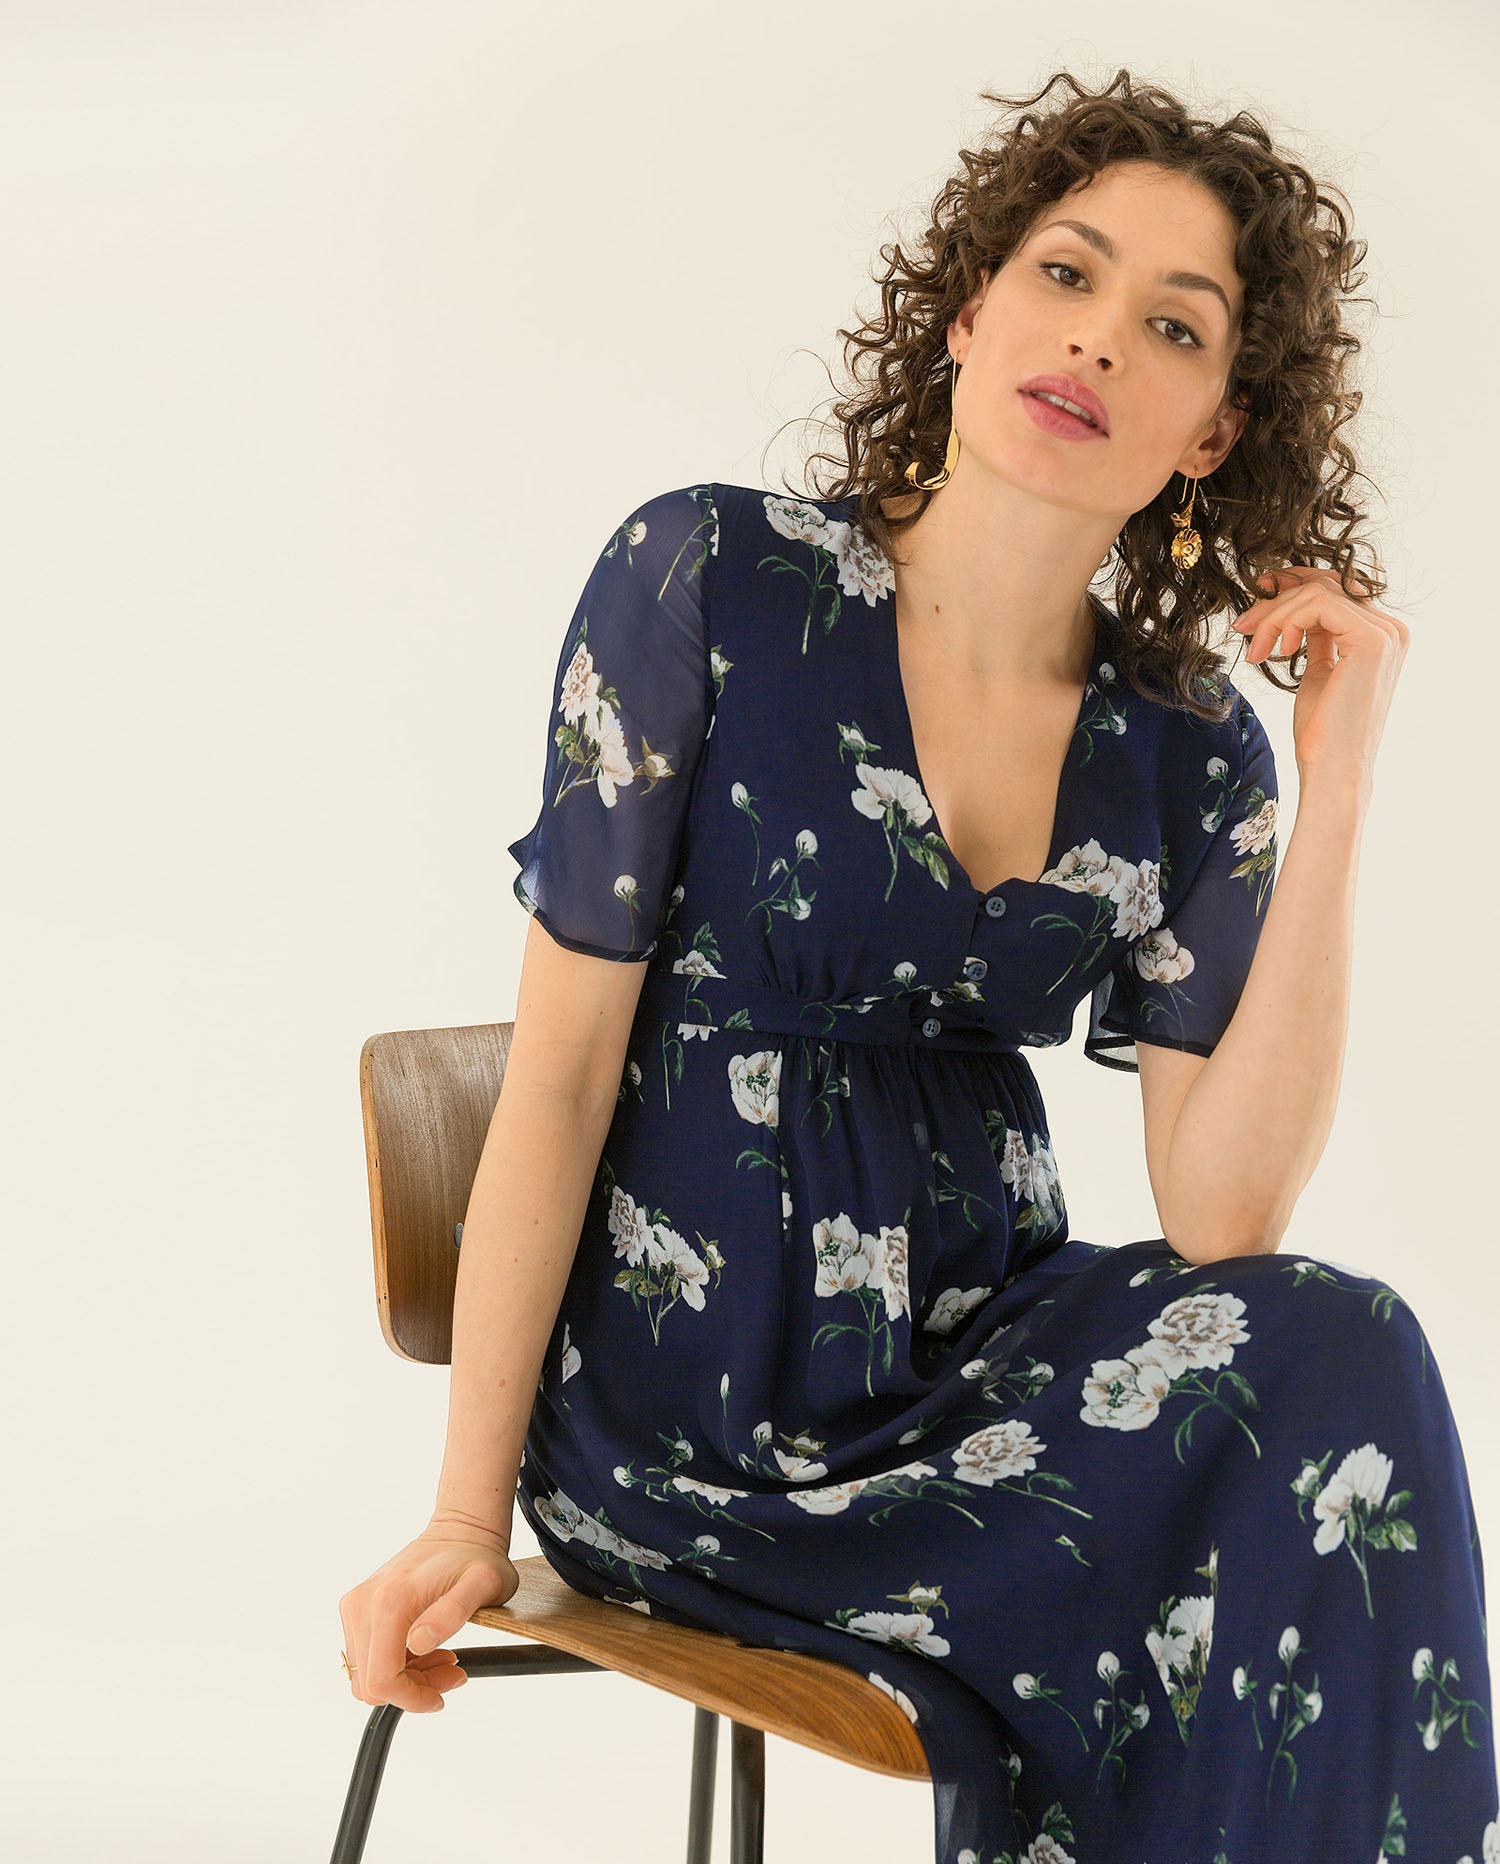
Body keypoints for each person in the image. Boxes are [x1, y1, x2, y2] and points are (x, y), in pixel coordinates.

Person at [339, 70, 1496, 1862]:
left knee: (1344, 1347)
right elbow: (557, 1080)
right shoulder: (712, 578)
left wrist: (1337, 778)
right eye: (1066, 275)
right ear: (967, 312)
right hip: (696, 1414)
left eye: (1173, 326)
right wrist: (461, 1516)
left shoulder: (1188, 748)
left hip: (980, 1387)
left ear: (1211, 431)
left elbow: (1227, 1218)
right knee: (1222, 1564)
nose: (1099, 338)